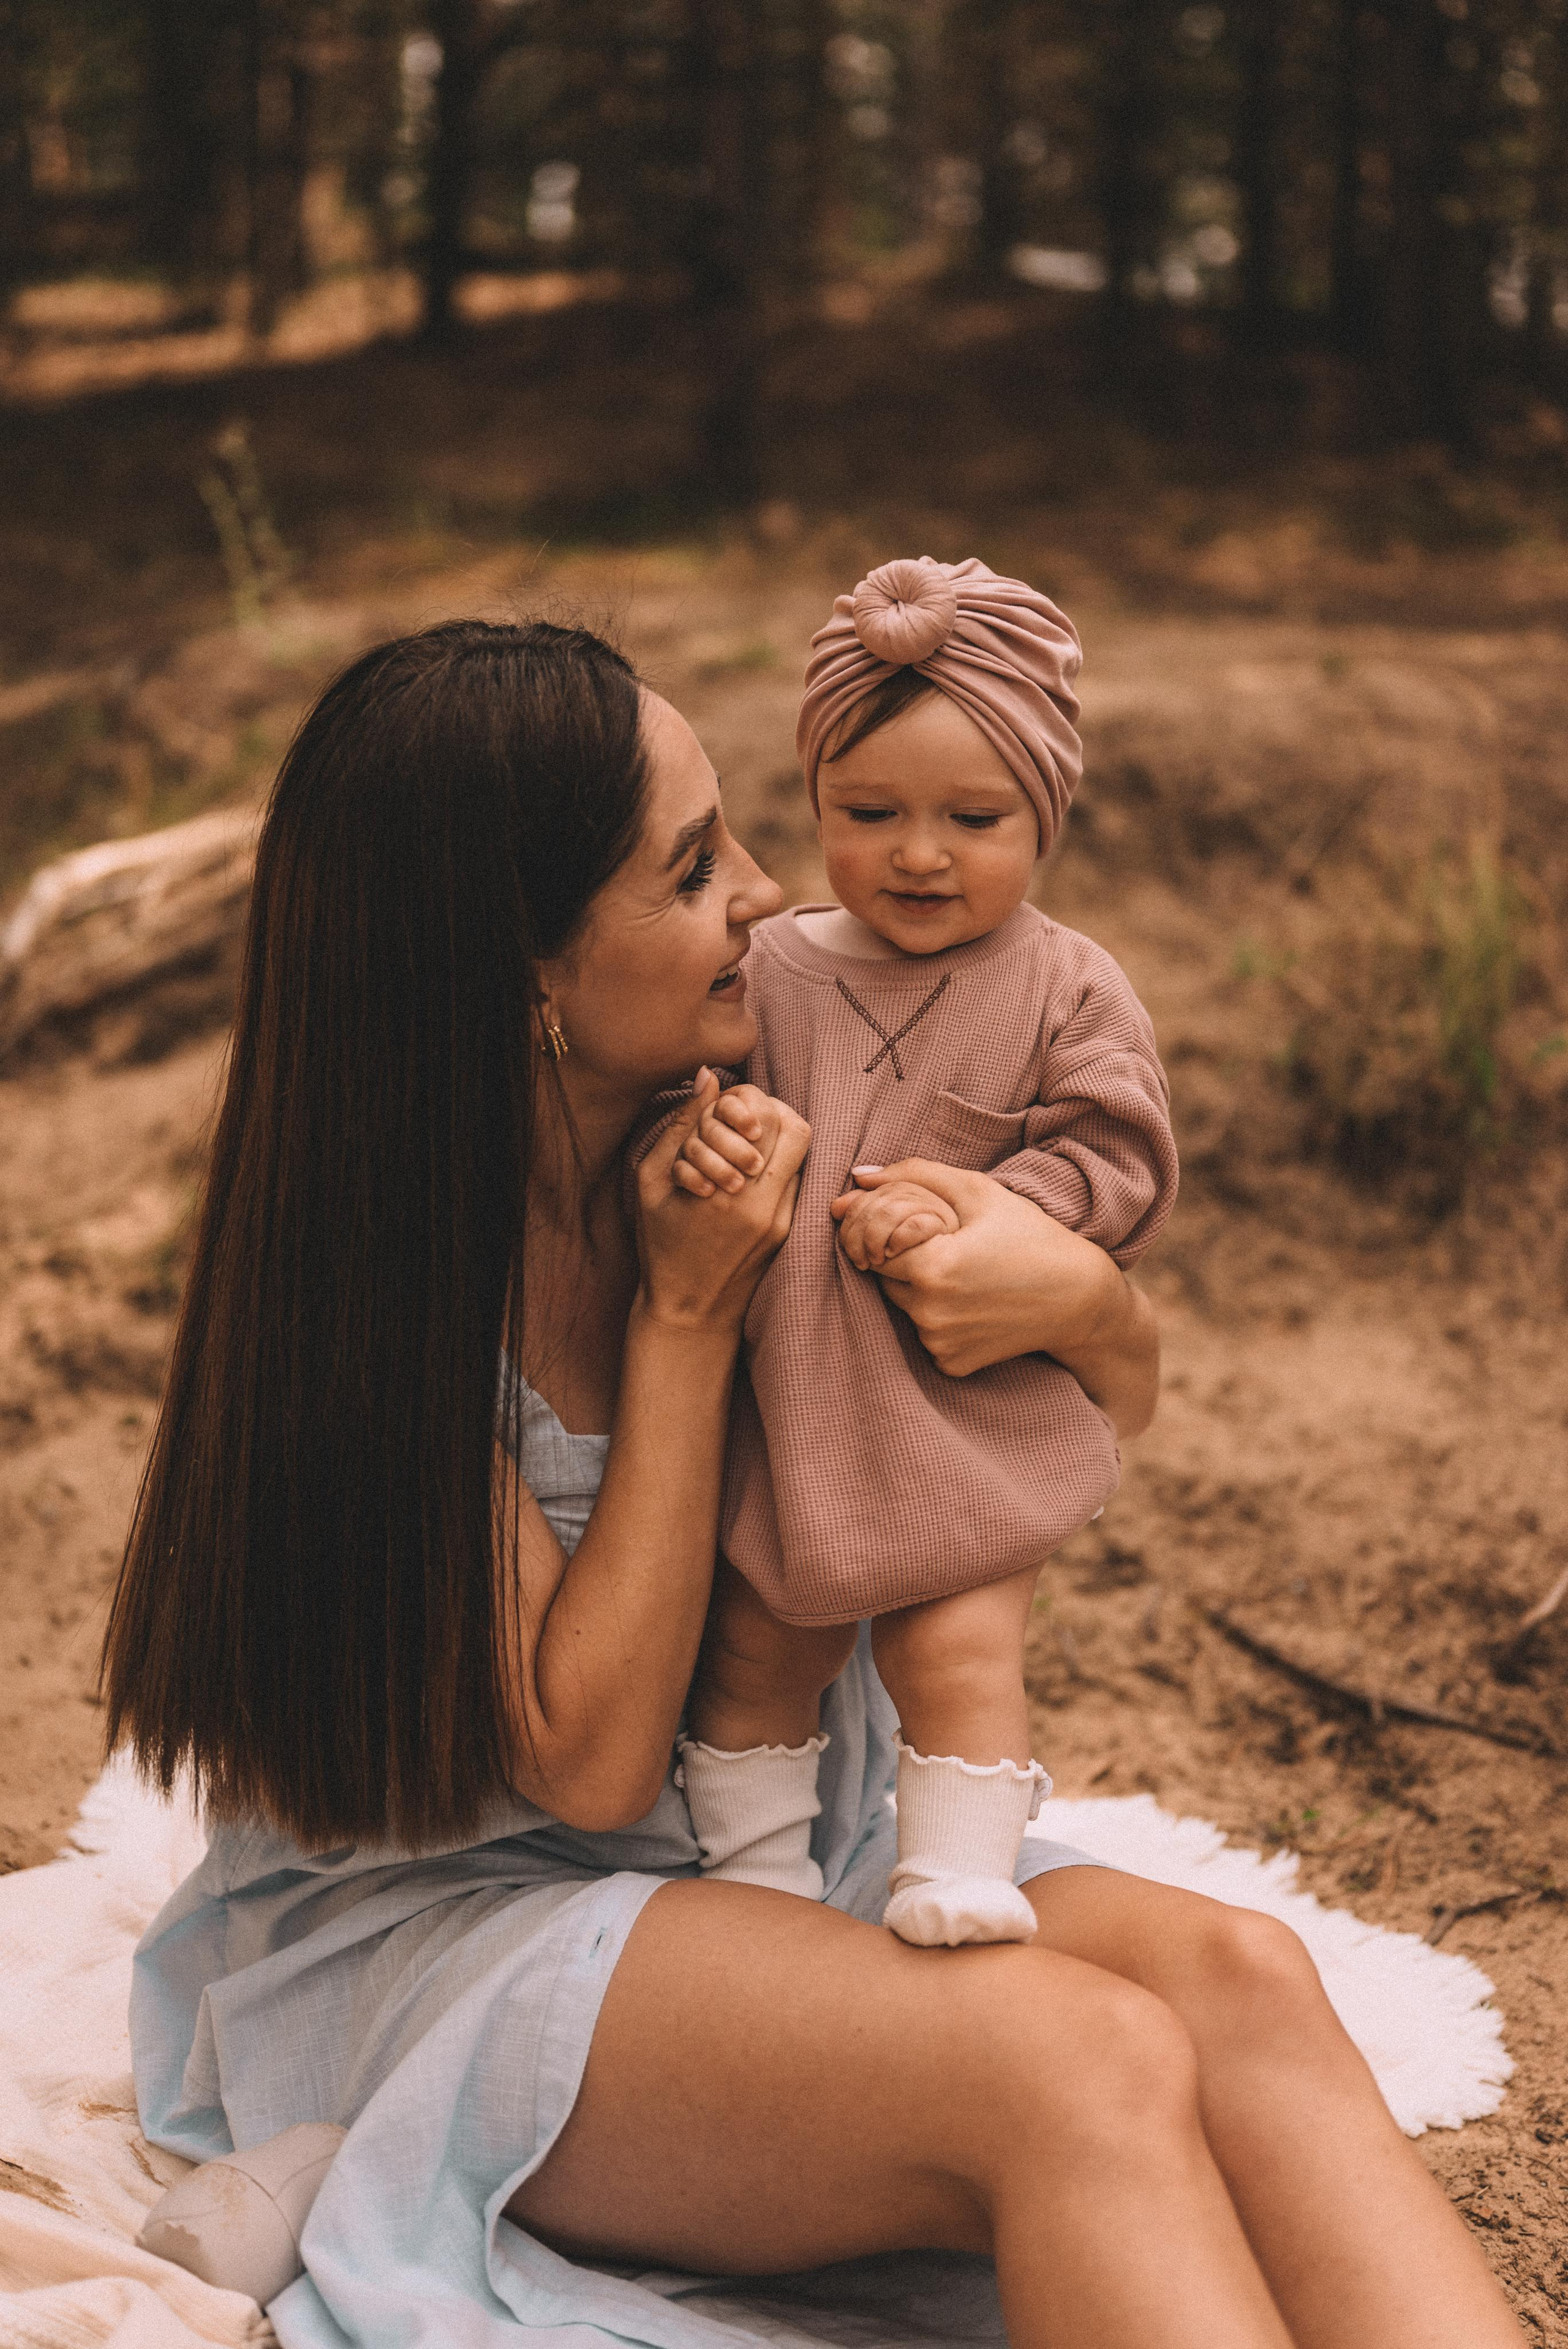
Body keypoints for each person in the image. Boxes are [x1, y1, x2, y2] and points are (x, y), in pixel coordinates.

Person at [102, 619, 1525, 2349]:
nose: (772, 892)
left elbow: (1110, 1401)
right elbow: (594, 1753)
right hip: (466, 1928)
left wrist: (1087, 1299)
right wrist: (688, 1323)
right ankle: (389, 2154)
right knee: (1076, 2063)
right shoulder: (384, 1298)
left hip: (781, 1846)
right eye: (696, 866)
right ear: (521, 971)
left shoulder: (760, 1106)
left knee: (1244, 1982)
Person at [669, 556, 1178, 1947]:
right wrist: (713, 1145)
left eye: (974, 817)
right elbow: (683, 1102)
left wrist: (993, 1202)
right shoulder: (771, 967)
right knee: (758, 1647)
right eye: (868, 812)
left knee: (957, 1646)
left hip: (962, 1408)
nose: (918, 853)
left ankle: (954, 1873)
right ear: (814, 801)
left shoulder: (1062, 983)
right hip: (790, 1410)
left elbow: (1118, 1154)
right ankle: (759, 1882)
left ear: (1044, 816)